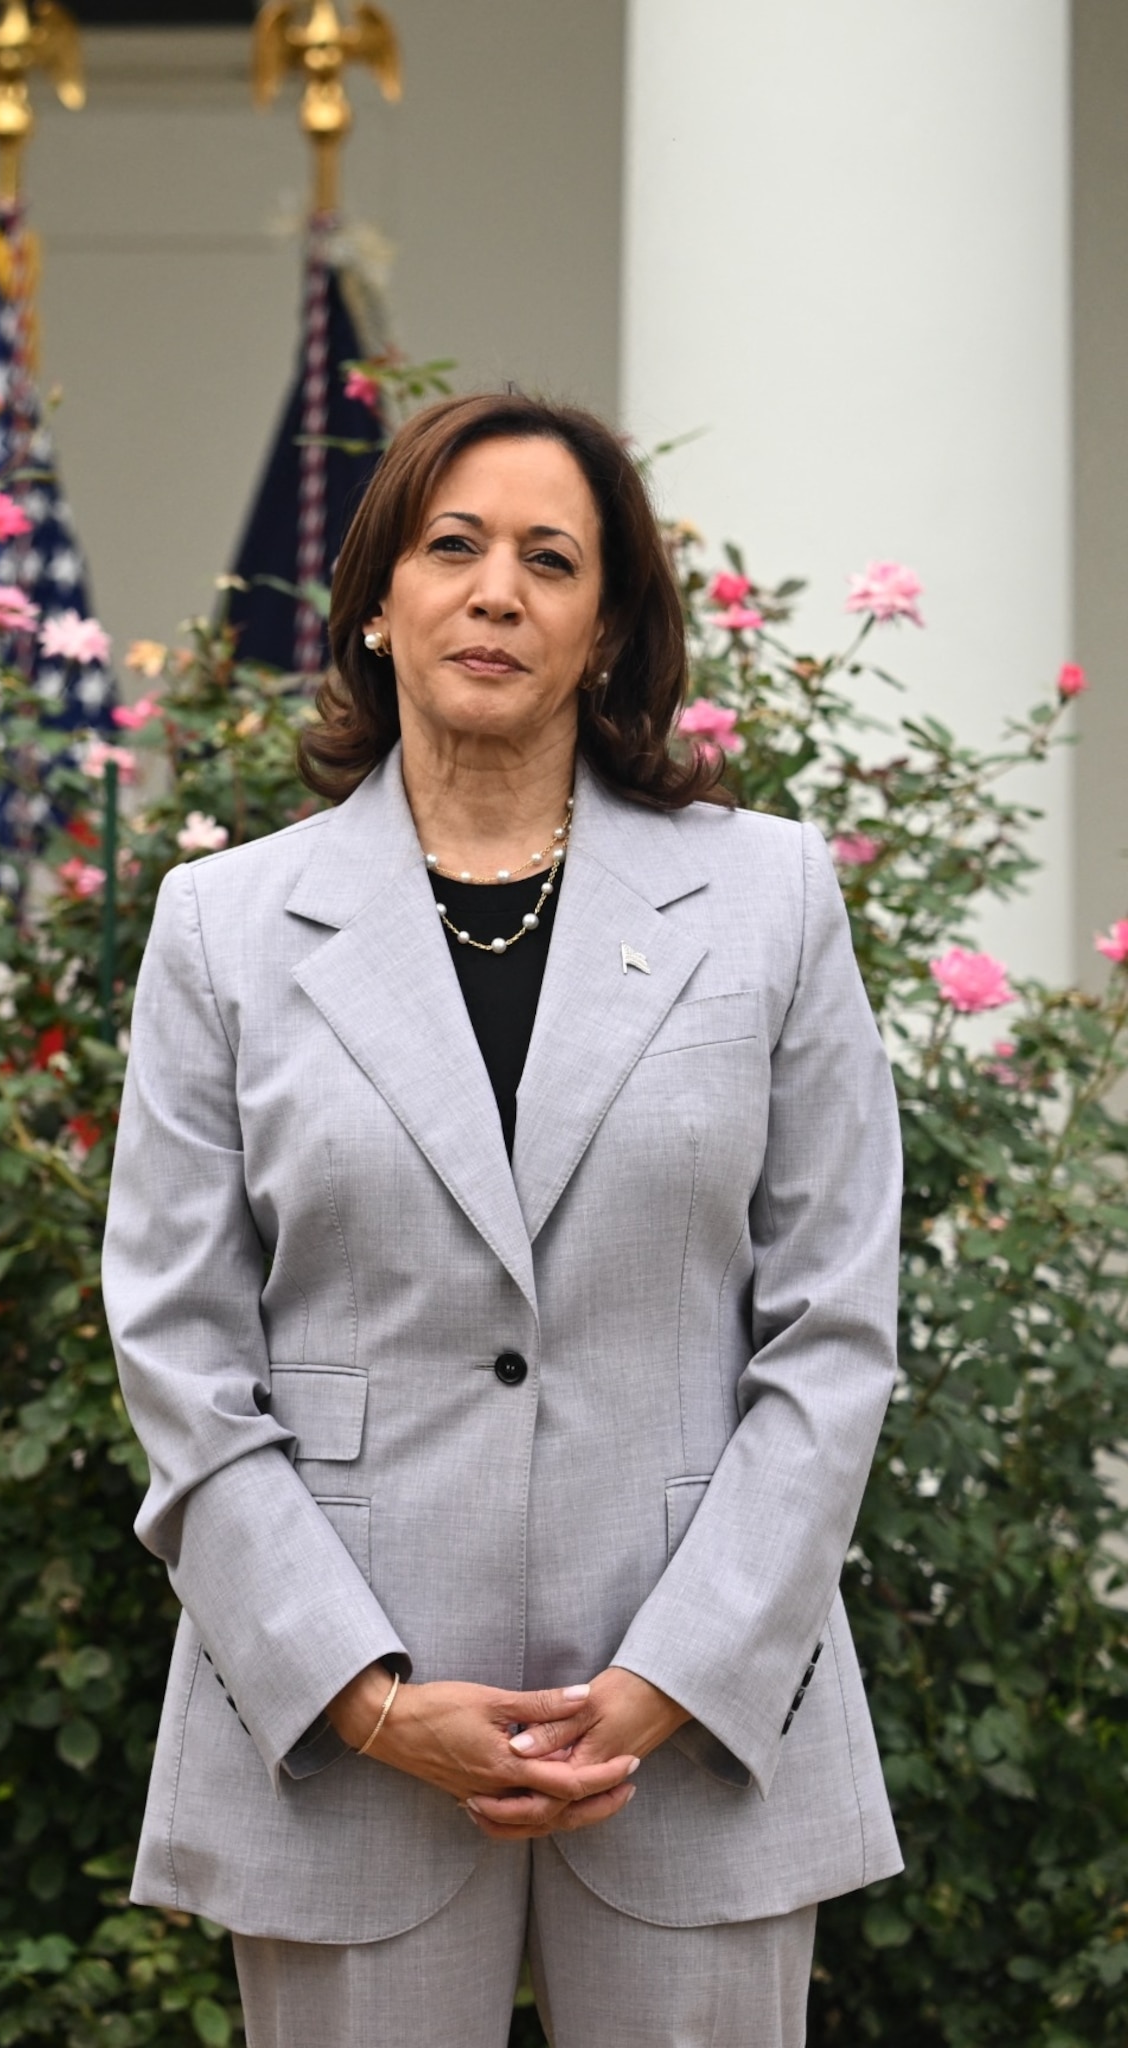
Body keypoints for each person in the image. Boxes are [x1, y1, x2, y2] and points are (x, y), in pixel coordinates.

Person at [100, 392, 900, 2045]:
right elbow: (178, 1349)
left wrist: (669, 1677)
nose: (494, 591)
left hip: (700, 1731)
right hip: (341, 1749)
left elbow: (832, 1327)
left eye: (549, 559)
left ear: (604, 628)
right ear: (375, 599)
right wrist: (368, 1698)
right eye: (450, 546)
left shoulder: (765, 901)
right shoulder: (224, 928)